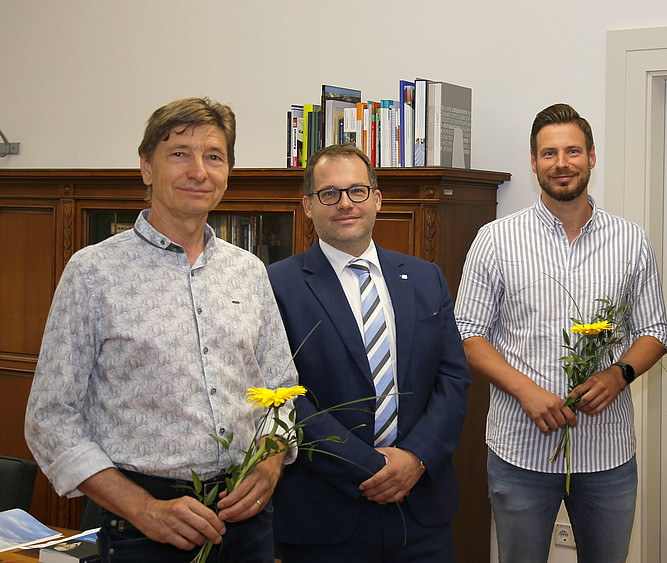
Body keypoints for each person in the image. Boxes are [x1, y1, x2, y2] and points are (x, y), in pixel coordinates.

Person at [24, 97, 298, 562]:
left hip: (245, 521)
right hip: (142, 527)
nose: (199, 170)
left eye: (214, 156)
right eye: (179, 153)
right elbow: (50, 419)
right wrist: (144, 509)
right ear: (146, 168)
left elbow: (282, 390)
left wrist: (270, 464)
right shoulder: (93, 272)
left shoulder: (249, 272)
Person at [454, 103, 667, 563]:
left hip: (607, 453)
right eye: (549, 154)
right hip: (520, 452)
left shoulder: (631, 240)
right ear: (533, 164)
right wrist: (526, 392)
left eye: (573, 151)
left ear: (592, 157)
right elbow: (467, 333)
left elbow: (655, 330)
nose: (562, 163)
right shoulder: (496, 240)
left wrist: (620, 374)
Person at [266, 144, 471, 562]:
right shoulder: (275, 285)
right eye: (330, 194)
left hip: (422, 511)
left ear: (377, 199)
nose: (345, 203)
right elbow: (280, 396)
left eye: (357, 191)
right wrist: (367, 466)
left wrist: (415, 458)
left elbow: (453, 380)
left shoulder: (425, 277)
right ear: (308, 206)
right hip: (324, 517)